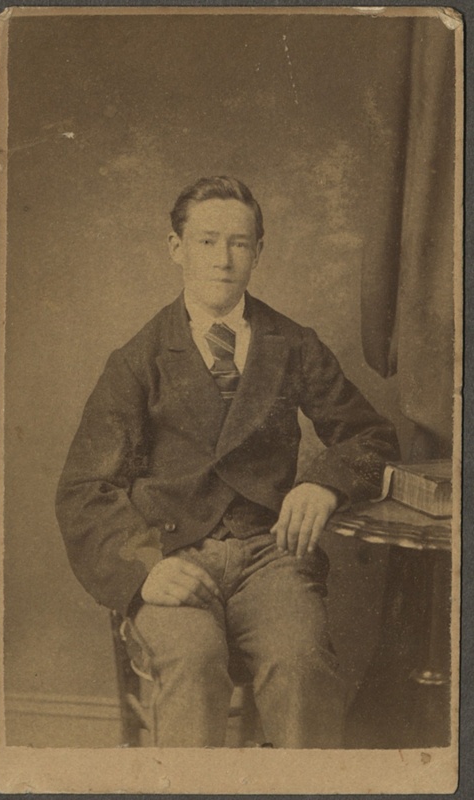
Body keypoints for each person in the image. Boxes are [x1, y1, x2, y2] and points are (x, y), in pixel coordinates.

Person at [56, 176, 399, 748]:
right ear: (177, 248)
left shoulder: (292, 344)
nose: (223, 259)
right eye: (208, 241)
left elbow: (371, 438)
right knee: (193, 662)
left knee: (302, 663)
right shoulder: (137, 360)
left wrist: (325, 486)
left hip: (270, 557)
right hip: (171, 557)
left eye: (239, 243)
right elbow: (85, 487)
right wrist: (145, 569)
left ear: (259, 252)